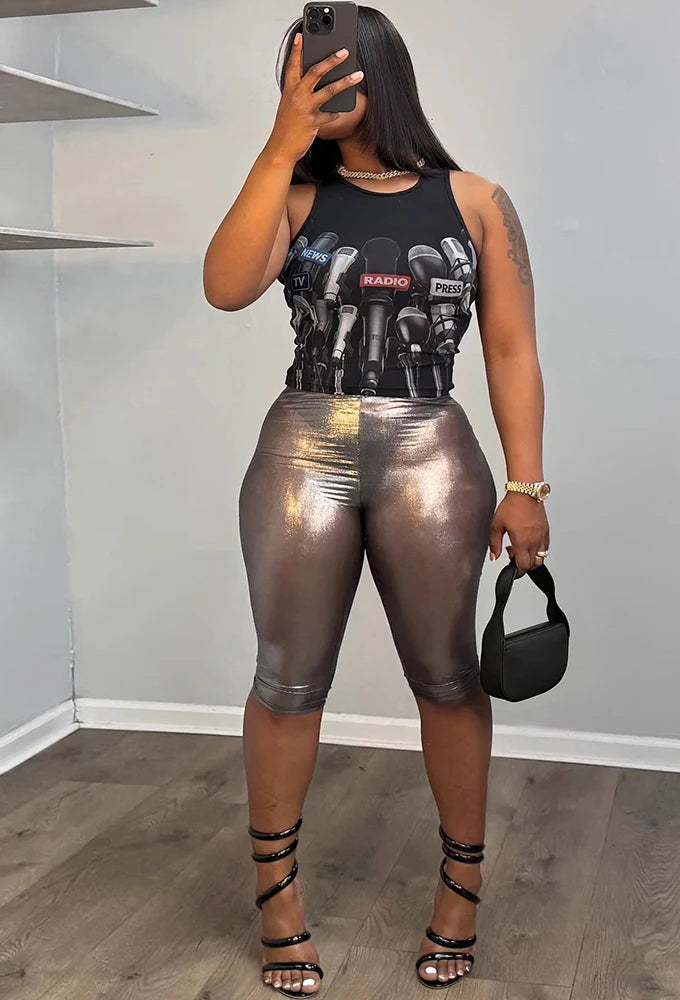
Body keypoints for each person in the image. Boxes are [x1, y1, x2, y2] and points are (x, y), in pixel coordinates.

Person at [203, 7, 550, 995]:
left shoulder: (475, 201)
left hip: (432, 450)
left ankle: (461, 892)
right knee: (286, 680)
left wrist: (525, 484)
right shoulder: (294, 195)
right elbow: (224, 286)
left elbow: (511, 349)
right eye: (297, 73)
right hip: (301, 448)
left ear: (378, 74)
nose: (311, 85)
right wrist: (281, 144)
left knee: (447, 678)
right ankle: (278, 901)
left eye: (326, 69)